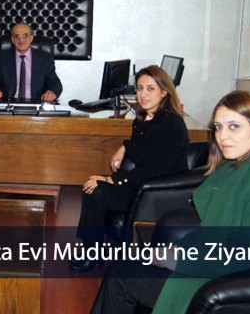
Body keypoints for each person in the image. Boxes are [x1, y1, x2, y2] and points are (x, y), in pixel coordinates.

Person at [70, 90, 250, 314]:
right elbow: (215, 233)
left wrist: (178, 258)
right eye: (218, 127)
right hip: (215, 269)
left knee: (122, 277)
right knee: (124, 268)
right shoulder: (238, 165)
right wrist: (170, 252)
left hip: (233, 284)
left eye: (234, 126)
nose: (223, 136)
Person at [70, 65, 189, 272]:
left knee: (96, 189)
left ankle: (92, 253)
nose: (143, 94)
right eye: (140, 88)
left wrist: (111, 180)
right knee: (92, 185)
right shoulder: (146, 118)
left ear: (164, 92)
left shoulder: (169, 124)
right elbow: (142, 147)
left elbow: (151, 170)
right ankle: (91, 248)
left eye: (150, 89)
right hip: (143, 184)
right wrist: (124, 147)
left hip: (157, 192)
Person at [0, 22, 63, 102]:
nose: (21, 40)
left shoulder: (45, 59)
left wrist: (52, 92)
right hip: (10, 103)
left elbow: (55, 83)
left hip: (36, 103)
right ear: (12, 40)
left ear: (31, 37)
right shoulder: (3, 58)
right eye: (17, 36)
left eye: (25, 36)